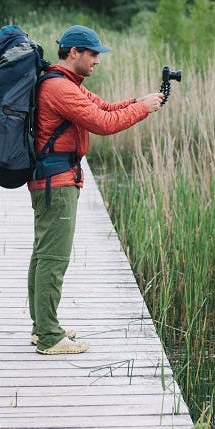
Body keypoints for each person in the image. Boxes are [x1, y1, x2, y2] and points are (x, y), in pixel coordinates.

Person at [28, 25, 163, 355]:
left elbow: (104, 108)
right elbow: (104, 125)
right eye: (93, 53)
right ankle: (48, 336)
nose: (98, 60)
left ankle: (42, 325)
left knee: (43, 254)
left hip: (55, 179)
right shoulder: (60, 88)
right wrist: (143, 109)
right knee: (53, 258)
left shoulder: (66, 83)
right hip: (55, 183)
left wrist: (139, 101)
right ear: (73, 52)